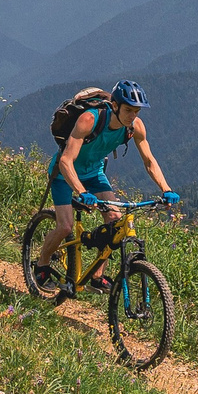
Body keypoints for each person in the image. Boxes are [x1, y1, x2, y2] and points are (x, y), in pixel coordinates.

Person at [31, 80, 173, 284]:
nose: (133, 116)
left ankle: (97, 278)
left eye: (137, 111)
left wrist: (166, 189)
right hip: (64, 175)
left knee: (115, 221)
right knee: (65, 227)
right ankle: (42, 264)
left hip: (94, 174)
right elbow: (65, 161)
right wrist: (81, 192)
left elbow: (149, 161)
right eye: (128, 110)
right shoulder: (89, 119)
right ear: (115, 106)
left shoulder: (135, 126)